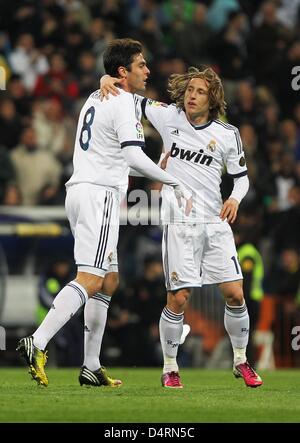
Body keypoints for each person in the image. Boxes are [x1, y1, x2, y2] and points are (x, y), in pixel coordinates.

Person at [16, 38, 191, 387]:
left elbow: (121, 146)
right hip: (100, 196)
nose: (148, 70)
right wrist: (172, 180)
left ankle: (91, 366)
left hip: (82, 191)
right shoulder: (122, 101)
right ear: (123, 72)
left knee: (108, 281)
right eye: (141, 65)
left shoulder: (98, 96)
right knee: (92, 278)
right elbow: (132, 156)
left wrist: (155, 168)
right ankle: (37, 341)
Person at [100, 65, 263, 388]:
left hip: (215, 224)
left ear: (212, 99)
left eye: (200, 92)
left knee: (235, 294)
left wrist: (234, 200)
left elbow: (241, 180)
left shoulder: (227, 135)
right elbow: (131, 100)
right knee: (179, 298)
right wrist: (108, 81)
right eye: (190, 90)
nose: (192, 96)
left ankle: (242, 360)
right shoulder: (168, 116)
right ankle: (170, 367)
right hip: (179, 223)